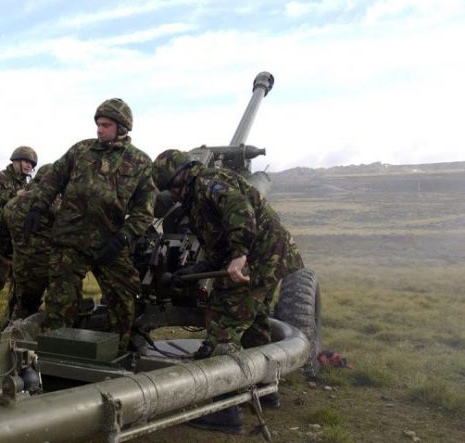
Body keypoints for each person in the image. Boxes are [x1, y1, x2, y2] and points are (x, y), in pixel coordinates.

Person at [152, 149, 304, 432]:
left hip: (257, 259)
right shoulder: (197, 196)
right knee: (255, 323)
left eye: (172, 187)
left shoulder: (209, 182)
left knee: (223, 325)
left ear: (180, 176)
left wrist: (240, 255)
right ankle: (265, 389)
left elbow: (240, 212)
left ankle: (225, 410)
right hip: (269, 258)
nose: (173, 194)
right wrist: (195, 271)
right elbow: (217, 242)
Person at [25, 98, 155, 349]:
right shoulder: (80, 151)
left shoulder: (139, 162)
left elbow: (144, 210)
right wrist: (38, 205)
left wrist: (124, 237)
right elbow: (53, 179)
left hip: (110, 241)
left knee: (124, 295)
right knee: (60, 300)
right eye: (98, 124)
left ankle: (119, 350)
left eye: (106, 125)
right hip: (70, 238)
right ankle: (56, 354)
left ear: (121, 127)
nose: (99, 129)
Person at [0, 146, 37, 327]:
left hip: (17, 246)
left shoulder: (28, 185)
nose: (28, 166)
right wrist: (14, 195)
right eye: (26, 161)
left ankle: (10, 326)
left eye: (31, 164)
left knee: (18, 290)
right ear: (15, 161)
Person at [0, 164, 56, 319]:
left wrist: (16, 255)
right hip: (52, 267)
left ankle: (9, 338)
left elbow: (2, 241)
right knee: (57, 311)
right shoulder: (57, 204)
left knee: (22, 309)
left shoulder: (11, 204)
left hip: (22, 267)